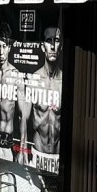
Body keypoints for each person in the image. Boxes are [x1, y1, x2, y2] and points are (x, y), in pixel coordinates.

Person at [18, 24, 62, 175]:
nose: (52, 46)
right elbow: (24, 117)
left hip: (58, 155)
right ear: (43, 46)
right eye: (49, 41)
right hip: (37, 151)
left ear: (60, 46)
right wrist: (23, 148)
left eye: (56, 41)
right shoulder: (34, 79)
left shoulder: (64, 82)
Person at [0, 23, 21, 160]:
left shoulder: (15, 75)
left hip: (7, 141)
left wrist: (22, 148)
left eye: (4, 46)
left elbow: (21, 116)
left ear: (9, 48)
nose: (1, 51)